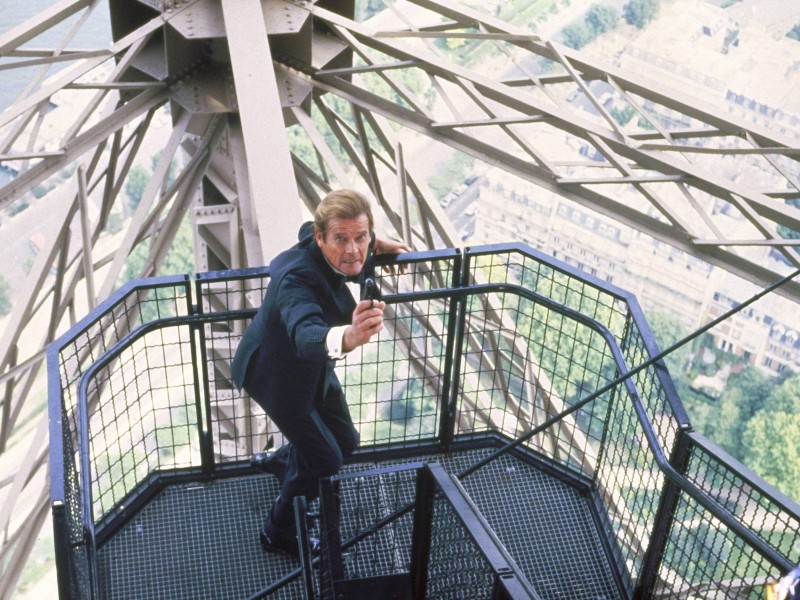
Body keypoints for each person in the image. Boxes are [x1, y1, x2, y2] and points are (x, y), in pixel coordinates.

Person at [231, 189, 410, 557]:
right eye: (341, 240)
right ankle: (277, 533)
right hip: (278, 376)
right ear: (320, 237)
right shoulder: (295, 279)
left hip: (312, 370)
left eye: (361, 237)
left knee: (345, 442)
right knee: (327, 459)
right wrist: (350, 335)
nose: (353, 251)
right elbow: (305, 334)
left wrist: (376, 244)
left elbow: (336, 232)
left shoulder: (322, 238)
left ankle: (282, 463)